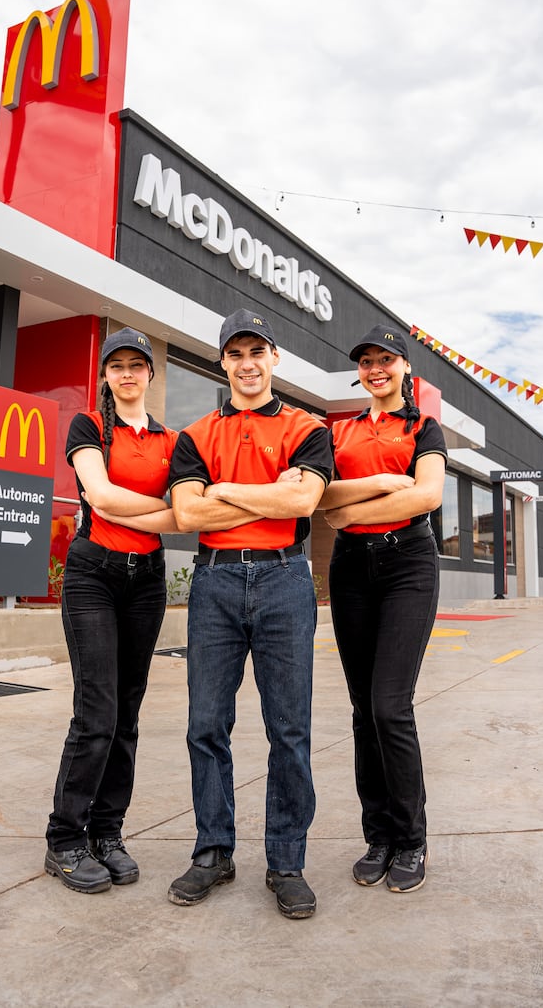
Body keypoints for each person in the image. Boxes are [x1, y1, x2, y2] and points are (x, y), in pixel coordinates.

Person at [166, 309, 332, 919]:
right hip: (213, 582)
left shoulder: (306, 427)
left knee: (289, 729)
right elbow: (187, 516)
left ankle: (286, 860)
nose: (247, 363)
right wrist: (266, 498)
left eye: (257, 351)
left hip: (286, 580)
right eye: (235, 354)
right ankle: (214, 852)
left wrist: (224, 490)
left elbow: (304, 501)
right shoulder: (195, 435)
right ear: (223, 363)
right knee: (206, 724)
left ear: (274, 358)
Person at [45, 328, 179, 893]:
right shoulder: (90, 427)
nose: (127, 374)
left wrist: (152, 514)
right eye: (116, 365)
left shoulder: (173, 441)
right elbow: (99, 496)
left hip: (146, 582)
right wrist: (160, 512)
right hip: (93, 575)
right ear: (106, 375)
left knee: (127, 714)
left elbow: (189, 514)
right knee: (96, 712)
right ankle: (64, 839)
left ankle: (107, 832)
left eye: (136, 365)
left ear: (150, 374)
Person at [319, 324, 447, 894]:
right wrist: (384, 480)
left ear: (403, 369)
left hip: (408, 565)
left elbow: (428, 495)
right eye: (366, 361)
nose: (376, 369)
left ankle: (411, 838)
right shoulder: (338, 431)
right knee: (360, 708)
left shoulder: (424, 426)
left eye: (385, 360)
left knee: (390, 706)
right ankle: (378, 836)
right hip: (350, 570)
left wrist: (359, 500)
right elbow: (326, 505)